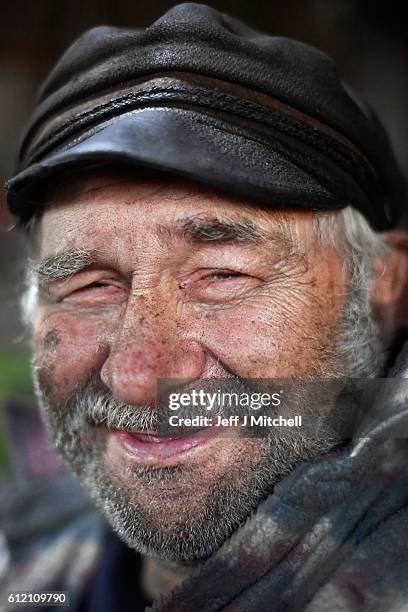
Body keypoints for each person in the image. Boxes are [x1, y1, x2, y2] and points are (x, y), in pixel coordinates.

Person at [2, 3, 408, 611]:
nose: (139, 378)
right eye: (92, 286)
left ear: (383, 282)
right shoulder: (27, 577)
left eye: (221, 275)